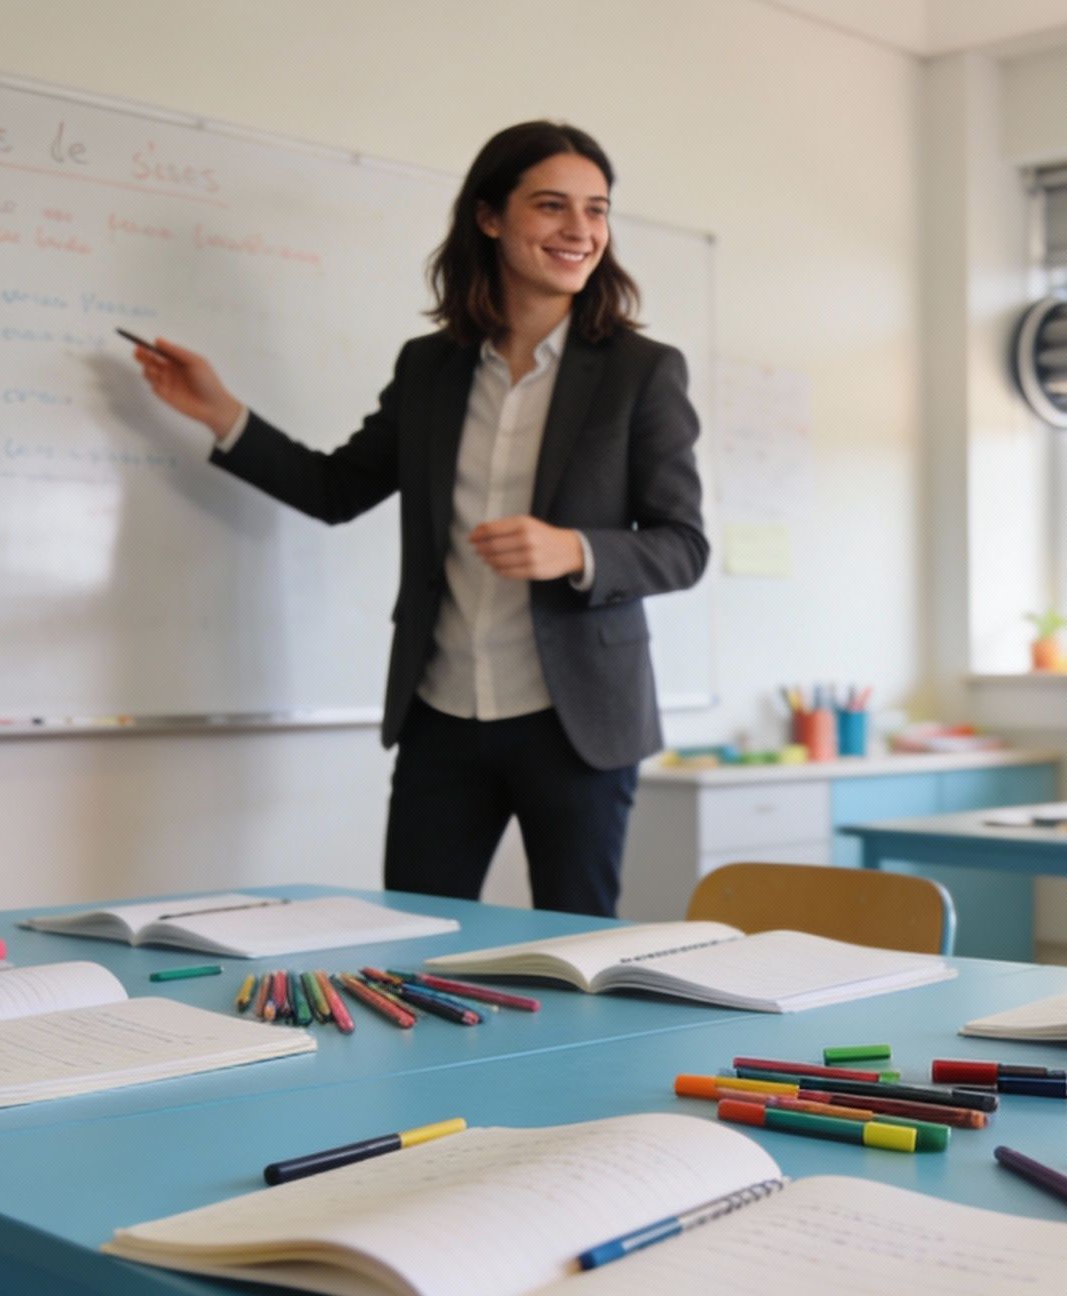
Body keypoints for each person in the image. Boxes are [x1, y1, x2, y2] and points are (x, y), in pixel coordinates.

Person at [131, 121, 706, 917]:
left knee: (579, 957)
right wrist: (223, 413)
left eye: (597, 210)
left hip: (579, 726)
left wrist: (573, 549)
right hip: (443, 716)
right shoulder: (429, 367)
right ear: (490, 216)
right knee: (414, 950)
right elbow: (337, 490)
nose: (581, 231)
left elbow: (684, 547)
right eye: (552, 206)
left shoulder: (642, 373)